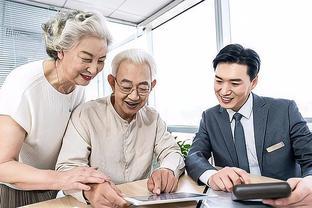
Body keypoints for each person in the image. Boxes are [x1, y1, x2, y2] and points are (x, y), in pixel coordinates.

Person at [0, 10, 112, 207]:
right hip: (14, 191)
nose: (94, 69)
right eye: (86, 58)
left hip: (51, 188)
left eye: (101, 60)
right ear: (61, 50)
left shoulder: (77, 86)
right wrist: (62, 178)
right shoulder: (24, 86)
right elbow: (2, 165)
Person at [185, 44, 312, 207]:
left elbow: (310, 157)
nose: (224, 91)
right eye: (218, 81)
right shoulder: (209, 117)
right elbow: (194, 156)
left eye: (235, 83)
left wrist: (309, 182)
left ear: (253, 82)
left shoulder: (285, 110)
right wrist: (211, 175)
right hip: (232, 201)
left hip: (284, 201)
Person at [56, 48, 185, 207]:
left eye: (143, 88)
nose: (134, 96)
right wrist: (91, 190)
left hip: (137, 202)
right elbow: (68, 167)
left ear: (152, 86)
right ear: (112, 82)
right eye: (126, 86)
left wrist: (168, 170)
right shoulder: (86, 114)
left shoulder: (153, 118)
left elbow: (172, 151)